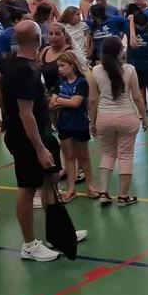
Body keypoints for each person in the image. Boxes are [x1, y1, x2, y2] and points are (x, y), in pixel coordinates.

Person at [0, 21, 84, 261]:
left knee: (48, 180)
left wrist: (3, 109)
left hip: (37, 132)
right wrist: (39, 148)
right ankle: (29, 245)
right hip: (28, 138)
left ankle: (57, 233)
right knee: (27, 187)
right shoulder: (26, 71)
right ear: (38, 38)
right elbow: (25, 112)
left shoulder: (10, 61)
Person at [88, 37, 148, 207]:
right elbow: (137, 97)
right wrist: (144, 117)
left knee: (107, 154)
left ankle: (104, 193)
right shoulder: (129, 70)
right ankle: (123, 196)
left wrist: (93, 122)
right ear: (120, 52)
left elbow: (93, 100)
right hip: (127, 117)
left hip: (104, 118)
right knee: (125, 155)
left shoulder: (96, 71)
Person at [52, 49, 95, 201]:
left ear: (72, 65)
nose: (60, 69)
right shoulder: (59, 83)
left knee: (84, 156)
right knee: (69, 157)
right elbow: (52, 104)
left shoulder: (82, 82)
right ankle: (71, 189)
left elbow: (76, 103)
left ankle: (90, 185)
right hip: (64, 124)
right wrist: (66, 101)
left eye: (62, 65)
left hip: (80, 124)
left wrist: (61, 100)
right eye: (59, 66)